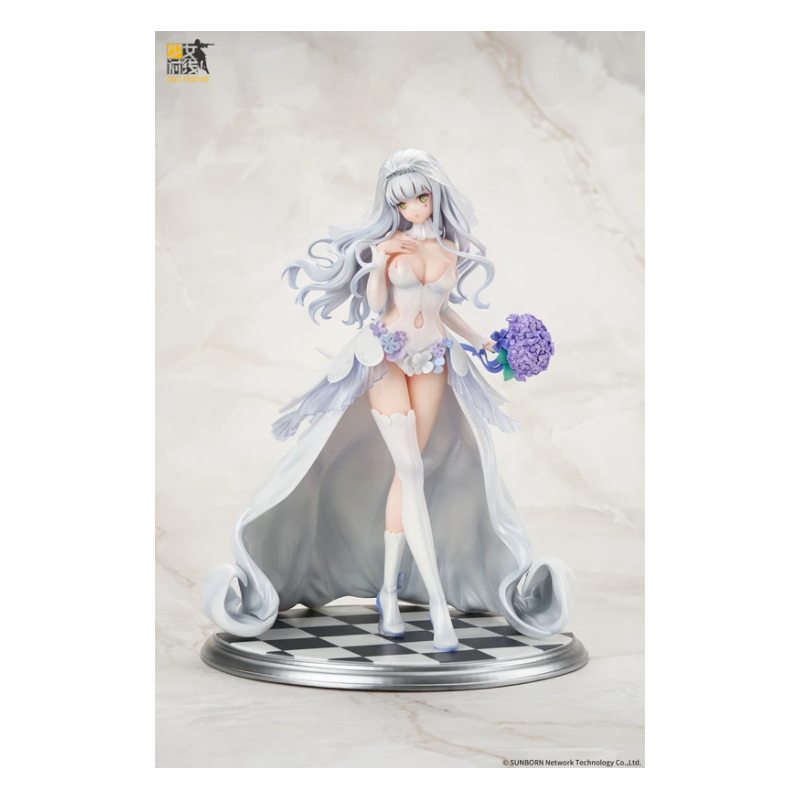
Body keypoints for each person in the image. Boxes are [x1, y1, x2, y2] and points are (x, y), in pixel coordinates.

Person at [202, 149, 575, 652]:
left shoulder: (449, 250)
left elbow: (444, 310)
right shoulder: (390, 246)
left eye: (421, 197)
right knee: (411, 469)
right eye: (403, 202)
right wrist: (379, 263)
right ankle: (436, 605)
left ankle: (388, 590)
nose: (414, 208)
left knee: (410, 471)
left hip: (434, 360)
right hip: (386, 357)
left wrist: (484, 342)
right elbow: (377, 306)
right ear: (392, 205)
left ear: (435, 195)